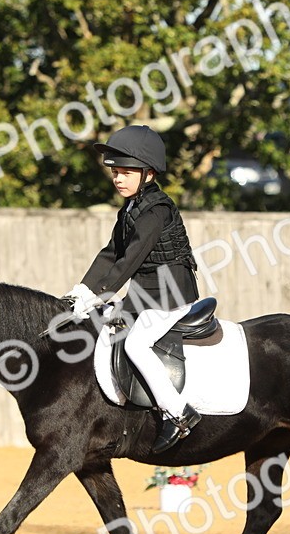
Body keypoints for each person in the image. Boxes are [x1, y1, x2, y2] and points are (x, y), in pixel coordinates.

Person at [64, 125, 202, 453]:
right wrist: (81, 291)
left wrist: (99, 296)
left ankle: (179, 414)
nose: (118, 179)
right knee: (103, 331)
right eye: (115, 172)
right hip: (145, 294)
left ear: (149, 173)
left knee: (137, 345)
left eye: (126, 172)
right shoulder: (129, 208)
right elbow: (111, 253)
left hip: (171, 295)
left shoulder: (156, 210)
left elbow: (129, 261)